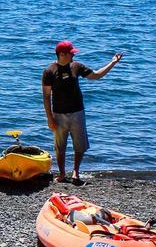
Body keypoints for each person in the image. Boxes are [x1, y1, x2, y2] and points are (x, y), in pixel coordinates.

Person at [40, 41, 122, 184]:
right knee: (60, 147)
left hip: (77, 112)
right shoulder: (49, 71)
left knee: (80, 145)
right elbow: (46, 96)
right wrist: (49, 118)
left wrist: (113, 62)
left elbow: (96, 75)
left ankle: (76, 172)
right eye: (71, 53)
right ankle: (62, 174)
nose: (73, 55)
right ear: (62, 54)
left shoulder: (76, 66)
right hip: (58, 114)